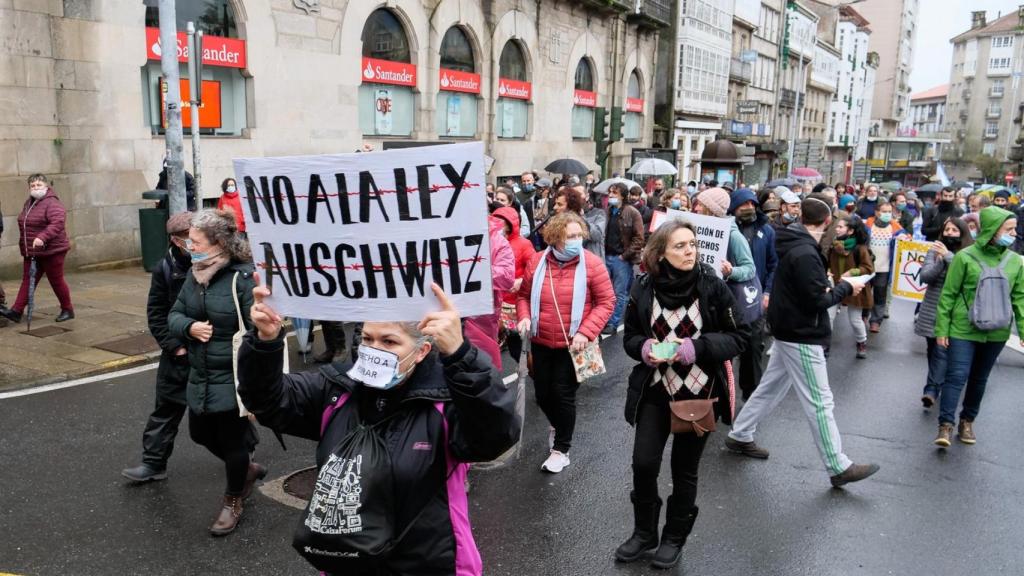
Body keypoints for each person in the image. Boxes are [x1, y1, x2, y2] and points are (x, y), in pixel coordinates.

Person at [238, 281, 519, 576]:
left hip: (429, 563)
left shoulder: (446, 400)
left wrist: (460, 356)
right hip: (348, 562)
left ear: (422, 350)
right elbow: (268, 401)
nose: (374, 350)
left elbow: (494, 436)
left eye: (389, 342)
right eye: (368, 339)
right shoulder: (338, 388)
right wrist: (265, 341)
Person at [615, 220, 748, 569]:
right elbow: (629, 336)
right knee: (643, 464)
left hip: (699, 395)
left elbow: (739, 337)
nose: (690, 251)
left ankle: (674, 537)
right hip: (655, 391)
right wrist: (645, 348)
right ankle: (644, 533)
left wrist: (695, 348)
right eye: (680, 246)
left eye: (692, 244)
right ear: (660, 253)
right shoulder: (644, 286)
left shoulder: (713, 287)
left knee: (684, 470)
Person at [725, 197, 880, 488]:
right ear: (826, 222)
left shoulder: (792, 243)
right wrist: (846, 286)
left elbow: (803, 290)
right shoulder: (806, 252)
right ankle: (838, 465)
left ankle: (740, 433)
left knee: (770, 387)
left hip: (788, 328)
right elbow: (817, 301)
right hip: (802, 333)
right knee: (820, 402)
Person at [167, 209, 264, 536]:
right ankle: (246, 469)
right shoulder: (196, 274)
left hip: (233, 378)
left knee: (233, 443)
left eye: (194, 241)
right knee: (199, 433)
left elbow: (260, 329)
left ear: (218, 243)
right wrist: (189, 327)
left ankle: (233, 499)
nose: (188, 246)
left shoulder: (242, 278)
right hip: (201, 374)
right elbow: (174, 314)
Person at [516, 212, 615, 473]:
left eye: (579, 235)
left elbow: (607, 302)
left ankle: (561, 449)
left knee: (563, 394)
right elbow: (523, 296)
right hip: (540, 341)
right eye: (570, 236)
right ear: (555, 238)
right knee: (542, 395)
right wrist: (525, 317)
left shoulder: (592, 264)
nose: (576, 241)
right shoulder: (538, 261)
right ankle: (557, 425)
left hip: (573, 345)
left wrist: (585, 332)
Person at [932, 206, 1024, 447]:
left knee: (979, 379)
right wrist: (942, 329)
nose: (1014, 234)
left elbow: (1020, 299)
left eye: (1014, 229)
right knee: (956, 376)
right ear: (993, 230)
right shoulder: (965, 256)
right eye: (1009, 229)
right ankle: (945, 426)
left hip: (997, 332)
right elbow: (949, 295)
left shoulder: (1015, 261)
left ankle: (967, 421)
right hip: (963, 328)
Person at [122, 212, 195, 483]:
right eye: (190, 239)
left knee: (224, 411)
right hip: (179, 354)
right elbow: (157, 312)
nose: (196, 244)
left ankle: (244, 461)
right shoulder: (166, 268)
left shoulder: (220, 262)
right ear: (177, 241)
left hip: (212, 351)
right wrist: (174, 347)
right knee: (166, 408)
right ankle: (153, 464)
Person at [915, 217, 973, 409]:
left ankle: (931, 390)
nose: (949, 234)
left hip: (954, 311)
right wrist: (940, 261)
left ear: (962, 233)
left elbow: (964, 277)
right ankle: (938, 383)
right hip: (932, 307)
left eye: (954, 231)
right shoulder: (934, 250)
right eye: (946, 230)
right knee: (933, 350)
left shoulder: (968, 253)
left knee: (942, 350)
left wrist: (948, 257)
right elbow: (925, 277)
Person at [0, 174, 74, 324]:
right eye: (32, 186)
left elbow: (57, 222)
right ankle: (16, 311)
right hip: (33, 250)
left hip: (52, 250)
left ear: (46, 186)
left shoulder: (52, 203)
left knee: (56, 280)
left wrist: (43, 237)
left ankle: (68, 309)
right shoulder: (30, 203)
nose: (36, 188)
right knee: (27, 280)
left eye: (39, 185)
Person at [728, 188, 778, 399]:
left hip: (753, 300)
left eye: (752, 204)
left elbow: (773, 264)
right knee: (725, 351)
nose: (748, 208)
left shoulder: (766, 231)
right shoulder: (727, 230)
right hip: (728, 298)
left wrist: (767, 292)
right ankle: (724, 395)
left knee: (752, 351)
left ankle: (750, 396)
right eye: (743, 205)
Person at [463, 213, 516, 370]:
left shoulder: (497, 241)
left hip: (482, 320)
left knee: (482, 370)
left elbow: (507, 277)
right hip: (446, 316)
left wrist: (470, 270)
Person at [493, 207, 536, 362]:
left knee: (520, 348)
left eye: (503, 223)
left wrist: (520, 280)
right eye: (496, 221)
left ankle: (534, 372)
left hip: (516, 303)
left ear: (512, 225)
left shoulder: (524, 244)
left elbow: (535, 268)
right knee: (509, 347)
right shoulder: (491, 243)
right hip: (498, 302)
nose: (499, 226)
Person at [828, 214, 875, 358]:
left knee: (855, 320)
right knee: (828, 317)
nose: (837, 229)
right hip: (835, 286)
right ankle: (824, 344)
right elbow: (828, 264)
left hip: (855, 288)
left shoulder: (860, 248)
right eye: (837, 226)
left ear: (851, 231)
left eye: (841, 227)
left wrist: (852, 272)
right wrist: (828, 271)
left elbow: (869, 268)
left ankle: (861, 342)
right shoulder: (834, 246)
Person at [604, 183, 645, 335]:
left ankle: (613, 323)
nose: (611, 196)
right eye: (610, 193)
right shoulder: (608, 211)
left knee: (619, 293)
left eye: (614, 193)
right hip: (606, 256)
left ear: (623, 195)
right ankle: (605, 320)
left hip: (620, 259)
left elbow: (639, 238)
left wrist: (624, 256)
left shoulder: (632, 213)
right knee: (605, 293)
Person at [692, 188, 757, 284]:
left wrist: (731, 271)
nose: (696, 208)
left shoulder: (733, 236)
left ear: (712, 210)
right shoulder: (695, 229)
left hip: (719, 292)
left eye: (701, 205)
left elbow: (750, 269)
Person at [863, 201, 908, 333]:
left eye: (889, 212)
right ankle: (863, 315)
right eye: (884, 211)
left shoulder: (895, 227)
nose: (887, 214)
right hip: (867, 266)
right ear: (877, 212)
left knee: (880, 294)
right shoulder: (867, 225)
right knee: (865, 293)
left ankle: (876, 321)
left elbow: (906, 237)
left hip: (884, 268)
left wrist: (903, 238)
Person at [580, 186, 608, 260]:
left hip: (593, 260)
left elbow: (597, 235)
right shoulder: (567, 213)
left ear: (587, 196)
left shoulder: (599, 213)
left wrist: (582, 218)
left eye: (579, 194)